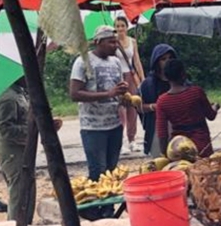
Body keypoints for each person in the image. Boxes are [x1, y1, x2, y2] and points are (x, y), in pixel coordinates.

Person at [69, 26, 130, 182]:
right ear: (98, 42)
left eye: (116, 42)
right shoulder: (83, 61)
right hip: (93, 128)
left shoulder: (116, 62)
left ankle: (108, 208)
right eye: (110, 42)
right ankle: (96, 207)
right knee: (98, 171)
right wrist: (107, 94)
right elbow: (74, 94)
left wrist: (123, 94)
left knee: (112, 171)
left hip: (115, 125)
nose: (115, 45)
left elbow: (117, 90)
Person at [156, 59, 220, 158]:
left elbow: (162, 133)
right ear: (184, 74)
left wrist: (165, 154)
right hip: (202, 144)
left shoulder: (162, 101)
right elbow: (211, 116)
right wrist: (215, 107)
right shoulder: (196, 92)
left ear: (166, 77)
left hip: (178, 148)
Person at [0, 78, 32, 222]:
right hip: (12, 150)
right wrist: (32, 129)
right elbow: (5, 129)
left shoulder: (19, 93)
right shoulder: (8, 98)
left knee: (26, 189)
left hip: (20, 146)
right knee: (19, 192)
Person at [139, 44, 177, 157]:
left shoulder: (181, 79)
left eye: (170, 58)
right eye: (163, 59)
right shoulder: (148, 84)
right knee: (159, 160)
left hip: (179, 125)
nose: (167, 61)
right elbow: (139, 107)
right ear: (156, 62)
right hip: (156, 126)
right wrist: (153, 106)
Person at [113, 16, 144, 155]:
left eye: (122, 26)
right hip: (118, 77)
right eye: (117, 26)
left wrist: (142, 78)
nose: (120, 29)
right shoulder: (113, 42)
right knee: (121, 110)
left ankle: (132, 139)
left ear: (126, 27)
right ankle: (122, 142)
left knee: (133, 107)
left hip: (131, 76)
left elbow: (136, 60)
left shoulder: (132, 41)